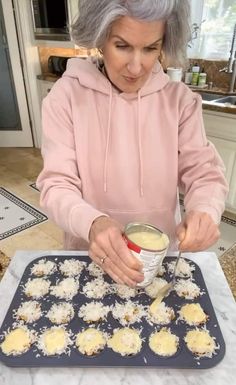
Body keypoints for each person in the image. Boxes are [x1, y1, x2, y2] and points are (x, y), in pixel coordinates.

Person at [37, 0, 228, 288]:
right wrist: (92, 224)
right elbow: (56, 185)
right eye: (122, 46)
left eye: (150, 48)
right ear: (100, 38)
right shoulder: (65, 98)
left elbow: (204, 173)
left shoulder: (180, 102)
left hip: (157, 263)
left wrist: (205, 209)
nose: (137, 67)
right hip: (90, 258)